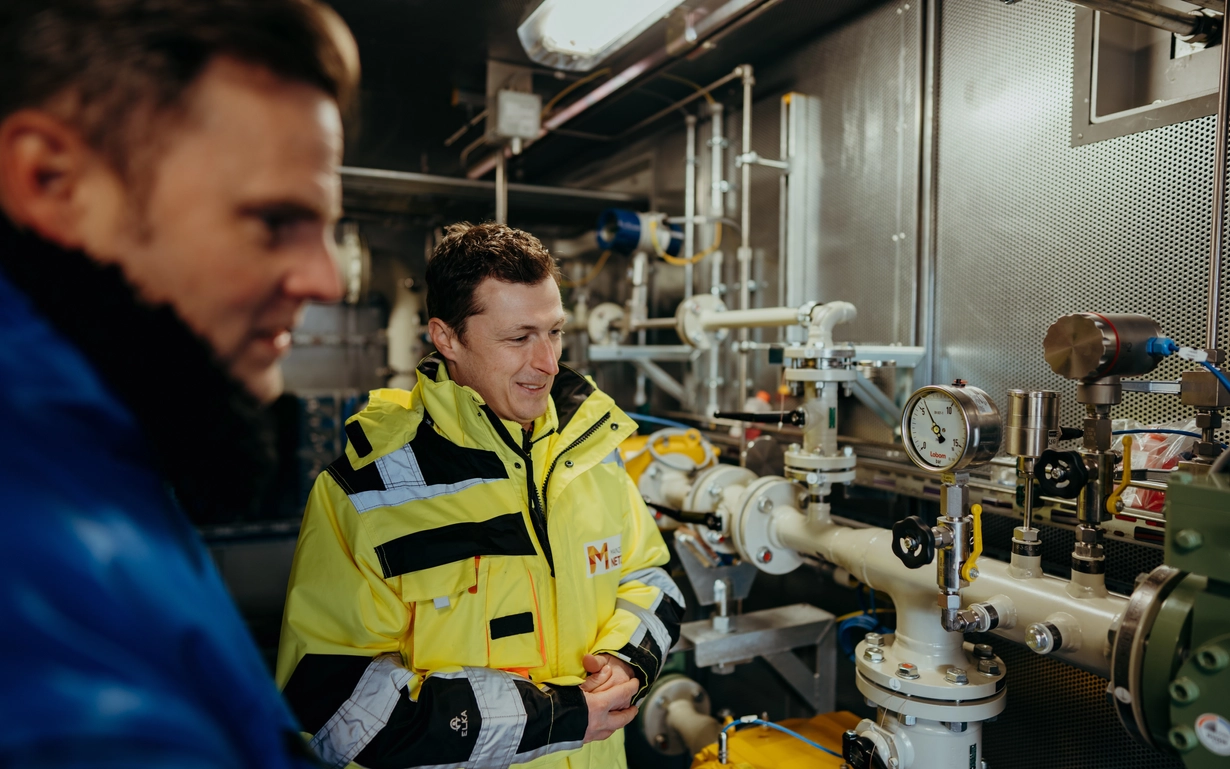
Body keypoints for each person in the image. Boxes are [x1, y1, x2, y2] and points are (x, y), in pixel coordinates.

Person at [0, 1, 359, 765]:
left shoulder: (92, 455)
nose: (328, 278)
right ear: (53, 181)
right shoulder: (54, 644)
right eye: (273, 220)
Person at [277, 222, 685, 769]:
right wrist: (558, 716)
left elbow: (650, 577)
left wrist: (626, 659)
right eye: (519, 338)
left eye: (555, 332)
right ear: (446, 338)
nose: (548, 362)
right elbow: (332, 706)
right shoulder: (365, 490)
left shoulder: (588, 451)